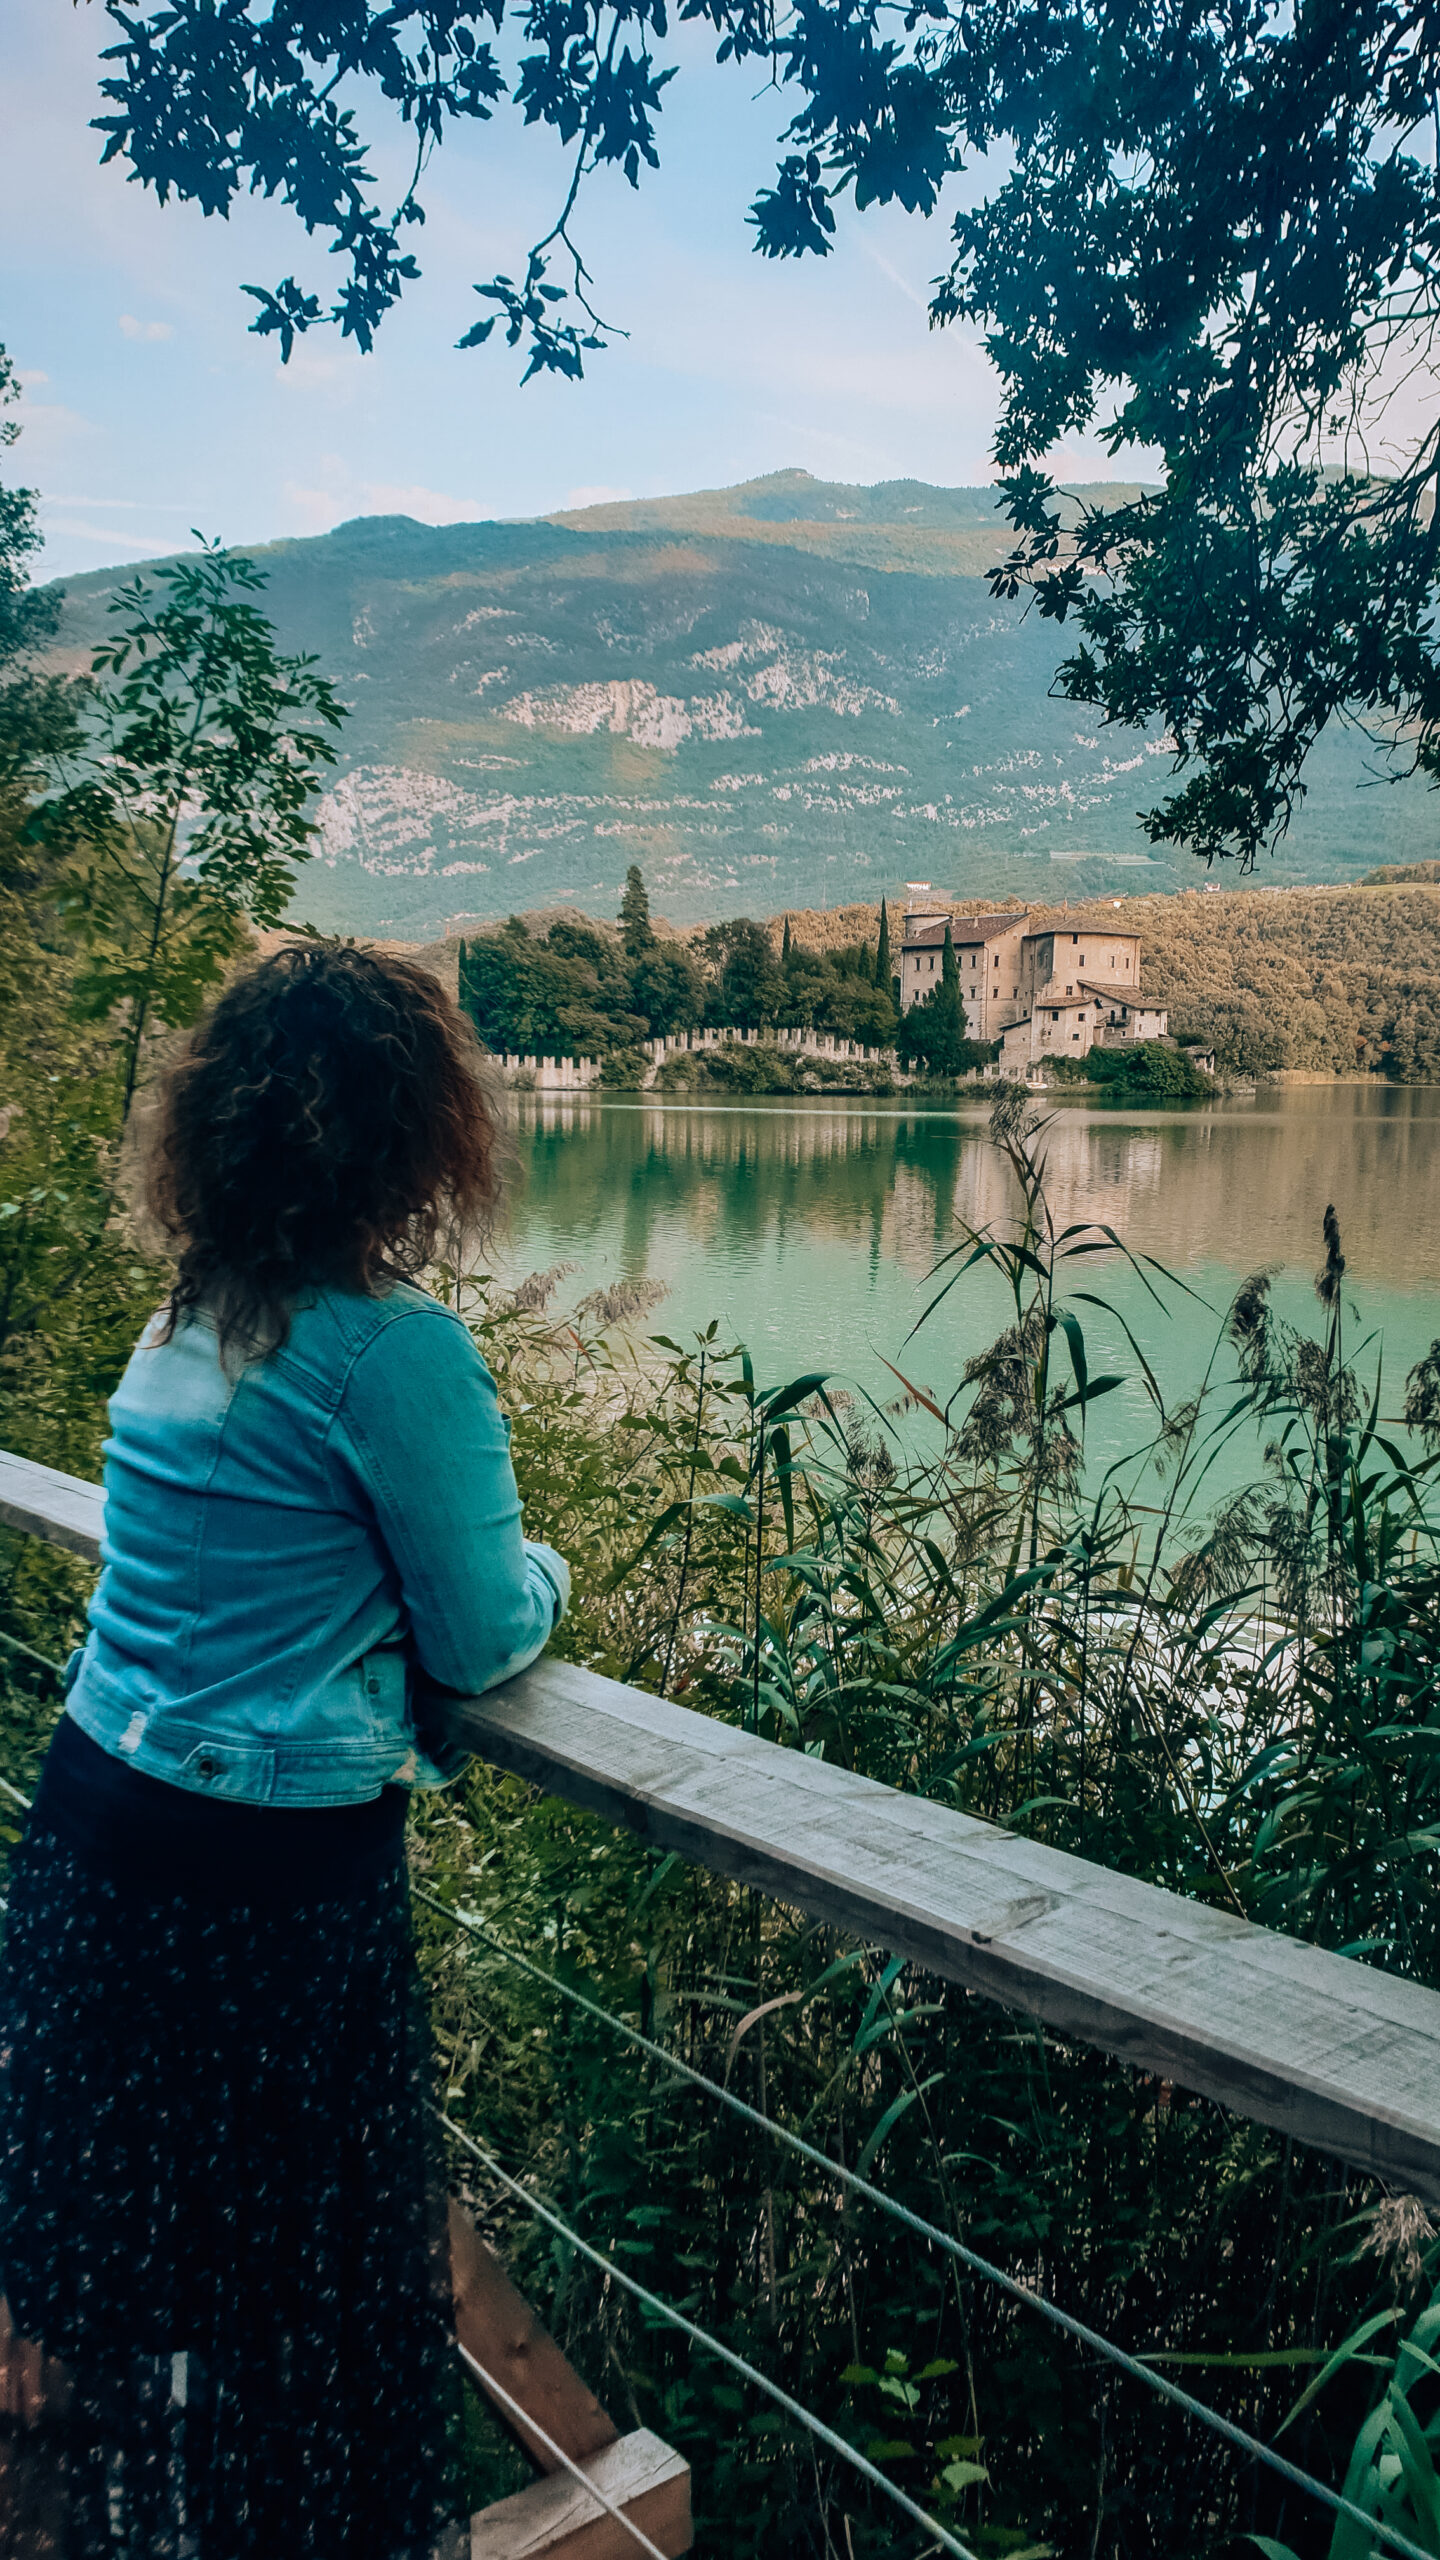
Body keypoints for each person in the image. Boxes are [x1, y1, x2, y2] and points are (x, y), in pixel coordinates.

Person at [0, 944, 569, 2558]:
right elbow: (478, 1632)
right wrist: (553, 1579)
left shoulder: (190, 1317)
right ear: (413, 1137)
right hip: (263, 1902)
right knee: (301, 2302)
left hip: (97, 1845)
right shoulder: (398, 1357)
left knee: (135, 2285)